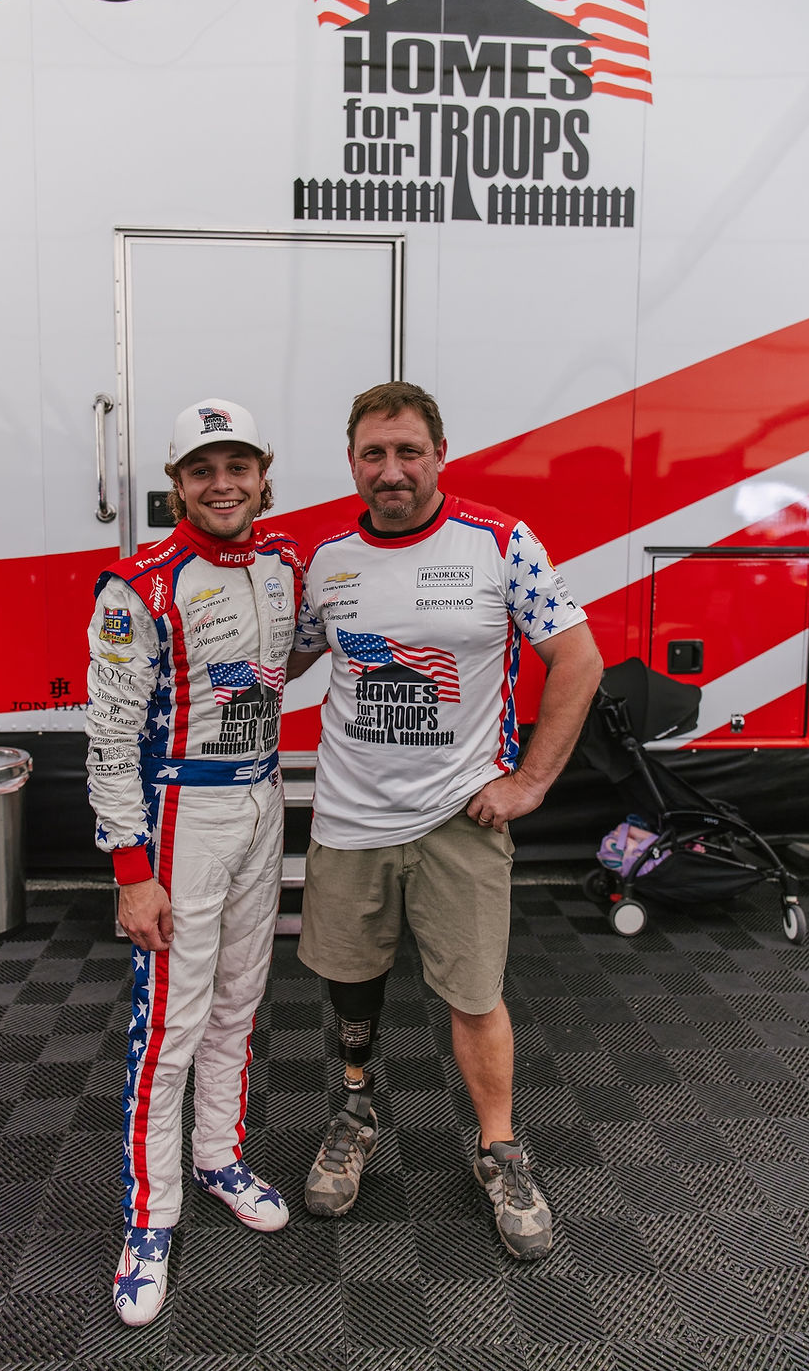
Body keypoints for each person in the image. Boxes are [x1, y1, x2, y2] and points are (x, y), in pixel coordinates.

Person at [286, 381, 602, 1261]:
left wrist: (531, 782)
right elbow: (289, 657)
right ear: (352, 462)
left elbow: (577, 659)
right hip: (350, 818)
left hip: (459, 817)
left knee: (474, 993)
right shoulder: (328, 561)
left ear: (440, 455)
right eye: (374, 454)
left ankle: (499, 1147)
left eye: (408, 451)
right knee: (350, 981)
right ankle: (356, 1105)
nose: (392, 470)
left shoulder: (500, 543)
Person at [86, 399, 302, 1326]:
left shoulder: (287, 565)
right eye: (202, 469)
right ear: (176, 484)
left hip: (265, 799)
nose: (223, 484)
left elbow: (308, 649)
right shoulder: (139, 587)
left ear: (262, 476)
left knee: (239, 1002)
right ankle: (150, 1217)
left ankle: (217, 1155)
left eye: (238, 466)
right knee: (169, 1020)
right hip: (181, 811)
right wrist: (132, 870)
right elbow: (106, 735)